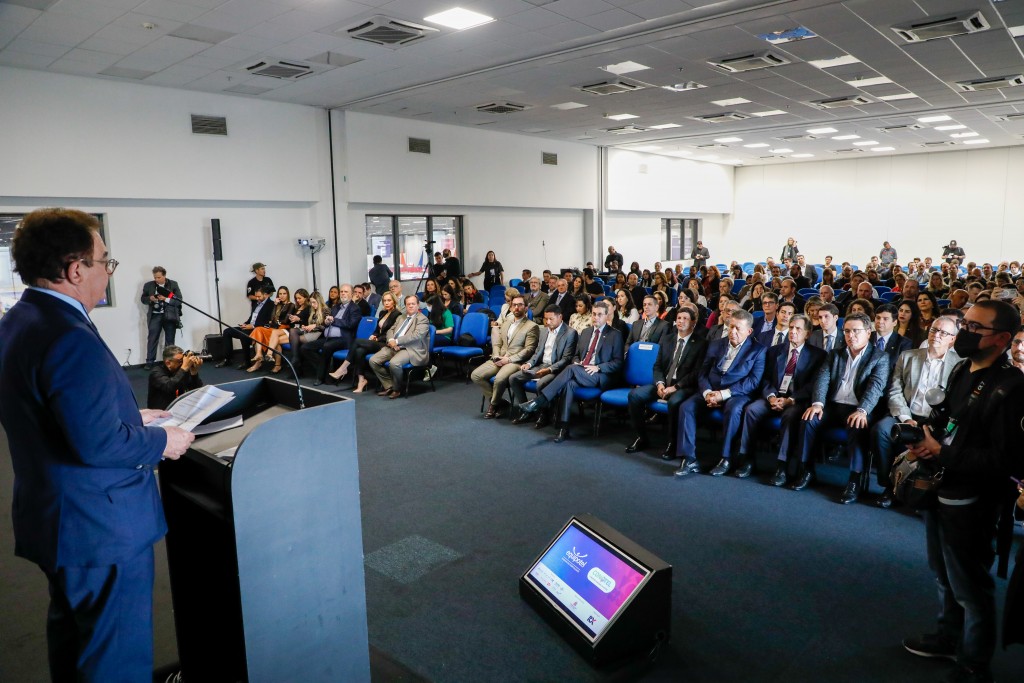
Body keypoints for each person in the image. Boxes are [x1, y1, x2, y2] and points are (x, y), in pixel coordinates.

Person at [0, 208, 194, 681]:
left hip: (57, 516)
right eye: (105, 260)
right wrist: (160, 441)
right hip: (99, 527)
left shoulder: (19, 320)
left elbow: (52, 412)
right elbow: (99, 444)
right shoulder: (68, 335)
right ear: (75, 269)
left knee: (76, 643)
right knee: (114, 658)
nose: (110, 269)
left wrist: (131, 415)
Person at [902, 301, 1024, 683]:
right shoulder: (961, 368)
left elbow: (1004, 462)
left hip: (973, 499)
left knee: (970, 585)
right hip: (942, 484)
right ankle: (947, 636)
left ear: (1002, 338)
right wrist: (926, 443)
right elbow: (947, 421)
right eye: (965, 323)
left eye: (976, 327)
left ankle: (974, 663)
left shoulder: (1014, 387)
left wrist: (944, 451)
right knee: (941, 573)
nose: (964, 331)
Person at [796, 313, 889, 504]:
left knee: (857, 425)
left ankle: (854, 479)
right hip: (833, 405)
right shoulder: (835, 353)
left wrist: (863, 410)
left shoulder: (879, 357)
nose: (851, 335)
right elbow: (822, 379)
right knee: (809, 418)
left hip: (858, 407)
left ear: (868, 333)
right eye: (847, 331)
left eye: (856, 331)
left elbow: (876, 387)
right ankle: (806, 470)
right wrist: (817, 404)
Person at [870, 316, 960, 508]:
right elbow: (894, 389)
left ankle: (922, 490)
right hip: (907, 414)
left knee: (938, 441)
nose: (937, 335)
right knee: (882, 430)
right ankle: (890, 485)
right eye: (934, 330)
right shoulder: (908, 356)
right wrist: (905, 417)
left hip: (936, 421)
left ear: (952, 339)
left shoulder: (960, 365)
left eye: (944, 333)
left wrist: (933, 425)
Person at [675, 309, 766, 477]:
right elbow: (703, 372)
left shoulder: (758, 350)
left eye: (738, 328)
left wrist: (723, 394)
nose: (733, 332)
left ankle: (726, 458)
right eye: (731, 327)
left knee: (733, 410)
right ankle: (689, 458)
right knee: (686, 407)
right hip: (711, 390)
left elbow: (753, 382)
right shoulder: (717, 344)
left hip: (736, 393)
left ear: (749, 331)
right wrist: (708, 392)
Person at [736, 314, 826, 485]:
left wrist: (791, 399)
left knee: (790, 416)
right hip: (773, 396)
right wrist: (771, 397)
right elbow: (765, 379)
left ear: (807, 333)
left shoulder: (818, 355)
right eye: (791, 327)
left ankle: (782, 466)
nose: (793, 331)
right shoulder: (774, 350)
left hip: (796, 400)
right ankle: (746, 459)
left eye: (798, 329)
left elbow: (813, 385)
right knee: (751, 410)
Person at [517, 300, 624, 443]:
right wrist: (576, 362)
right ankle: (564, 428)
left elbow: (618, 363)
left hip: (600, 375)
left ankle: (540, 400)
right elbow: (576, 356)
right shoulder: (586, 332)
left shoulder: (615, 335)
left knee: (570, 369)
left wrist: (598, 367)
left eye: (599, 315)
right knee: (569, 385)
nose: (595, 317)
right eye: (593, 314)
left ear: (606, 316)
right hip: (580, 371)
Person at [626, 306, 707, 459]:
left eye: (685, 319)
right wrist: (660, 384)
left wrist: (675, 387)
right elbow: (657, 366)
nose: (681, 321)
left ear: (693, 323)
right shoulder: (667, 339)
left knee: (674, 403)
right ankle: (642, 437)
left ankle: (672, 443)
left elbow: (696, 373)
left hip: (684, 386)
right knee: (634, 395)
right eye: (679, 318)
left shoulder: (700, 343)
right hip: (663, 383)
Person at [510, 305, 578, 428]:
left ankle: (544, 414)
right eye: (546, 319)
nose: (547, 322)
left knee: (541, 383)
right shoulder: (544, 330)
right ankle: (527, 410)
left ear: (560, 317)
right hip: (541, 365)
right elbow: (537, 353)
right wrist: (529, 363)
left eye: (551, 319)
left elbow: (566, 359)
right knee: (513, 378)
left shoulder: (570, 333)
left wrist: (549, 369)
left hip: (556, 369)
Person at [471, 294, 539, 419]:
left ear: (526, 308)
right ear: (511, 307)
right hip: (500, 357)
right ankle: (502, 403)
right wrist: (496, 355)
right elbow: (498, 343)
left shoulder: (531, 326)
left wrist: (508, 359)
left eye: (520, 305)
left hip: (515, 361)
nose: (516, 308)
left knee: (499, 379)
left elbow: (529, 350)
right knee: (476, 375)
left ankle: (493, 405)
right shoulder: (507, 322)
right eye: (514, 305)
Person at [329, 291, 401, 392]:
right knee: (359, 351)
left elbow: (392, 333)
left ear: (394, 301)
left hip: (386, 344)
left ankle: (343, 368)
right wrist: (374, 335)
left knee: (357, 341)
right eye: (384, 301)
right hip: (378, 341)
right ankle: (361, 381)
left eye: (389, 300)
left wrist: (378, 338)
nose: (386, 303)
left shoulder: (397, 314)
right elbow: (377, 330)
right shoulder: (382, 312)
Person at [369, 294, 431, 398]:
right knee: (373, 360)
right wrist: (391, 340)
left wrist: (397, 341)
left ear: (418, 305)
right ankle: (389, 386)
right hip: (394, 346)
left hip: (412, 349)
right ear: (405, 306)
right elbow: (390, 330)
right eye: (408, 304)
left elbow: (416, 336)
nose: (410, 306)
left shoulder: (422, 319)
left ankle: (397, 389)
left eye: (413, 304)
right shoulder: (401, 316)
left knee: (394, 363)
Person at [302, 284, 362, 386]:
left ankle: (320, 377)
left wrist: (334, 320)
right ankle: (325, 370)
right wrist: (326, 321)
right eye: (342, 291)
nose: (343, 293)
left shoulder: (355, 308)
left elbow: (350, 324)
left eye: (346, 292)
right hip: (328, 337)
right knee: (305, 347)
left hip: (343, 339)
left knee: (327, 346)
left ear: (352, 294)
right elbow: (327, 322)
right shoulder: (336, 307)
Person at [215, 284, 275, 368]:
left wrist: (253, 326)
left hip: (258, 328)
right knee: (227, 331)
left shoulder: (271, 305)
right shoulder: (256, 304)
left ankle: (247, 362)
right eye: (256, 296)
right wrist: (245, 323)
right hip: (249, 326)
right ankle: (227, 359)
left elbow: (268, 322)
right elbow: (251, 317)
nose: (257, 298)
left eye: (259, 296)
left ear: (265, 294)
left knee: (243, 335)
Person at [140, 265, 183, 369]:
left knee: (170, 340)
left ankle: (169, 362)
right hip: (155, 315)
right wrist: (150, 298)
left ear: (164, 276)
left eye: (158, 277)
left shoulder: (173, 284)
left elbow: (179, 300)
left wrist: (166, 299)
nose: (156, 279)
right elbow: (143, 299)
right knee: (152, 338)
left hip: (170, 315)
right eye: (155, 277)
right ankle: (150, 362)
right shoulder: (148, 285)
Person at [247, 286, 295, 372]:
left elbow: (286, 320)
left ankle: (277, 364)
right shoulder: (277, 304)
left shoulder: (291, 305)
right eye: (280, 293)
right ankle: (259, 354)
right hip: (275, 329)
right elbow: (272, 318)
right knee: (258, 330)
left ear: (287, 294)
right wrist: (275, 305)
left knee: (275, 339)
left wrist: (275, 322)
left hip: (285, 329)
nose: (282, 295)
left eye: (284, 293)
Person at [148, 345, 204, 410]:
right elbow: (170, 387)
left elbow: (197, 392)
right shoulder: (156, 373)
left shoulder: (181, 371)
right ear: (168, 363)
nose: (183, 363)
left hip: (178, 410)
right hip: (160, 414)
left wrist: (194, 373)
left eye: (183, 360)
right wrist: (184, 368)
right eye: (180, 361)